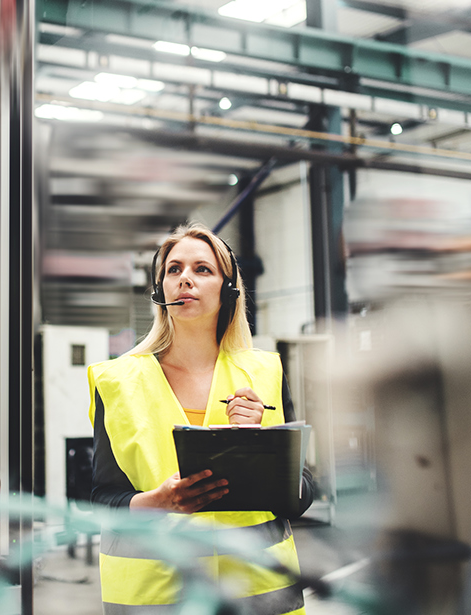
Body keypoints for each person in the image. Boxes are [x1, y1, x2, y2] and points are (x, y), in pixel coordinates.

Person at [88, 223, 313, 614]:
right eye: (173, 270)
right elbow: (101, 497)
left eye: (202, 269)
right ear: (160, 290)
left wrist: (263, 445)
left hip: (257, 591)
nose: (185, 279)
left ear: (227, 290)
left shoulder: (265, 373)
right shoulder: (117, 381)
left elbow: (303, 494)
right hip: (155, 596)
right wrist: (155, 503)